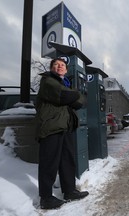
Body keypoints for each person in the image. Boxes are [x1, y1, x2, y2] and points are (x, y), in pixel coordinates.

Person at [35, 58, 88, 210]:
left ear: (66, 70)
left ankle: (69, 191)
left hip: (65, 127)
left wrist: (74, 96)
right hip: (51, 126)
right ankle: (45, 198)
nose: (59, 67)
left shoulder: (66, 84)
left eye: (62, 65)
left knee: (67, 161)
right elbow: (64, 96)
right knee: (49, 162)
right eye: (56, 65)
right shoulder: (48, 81)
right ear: (51, 68)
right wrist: (76, 94)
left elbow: (81, 102)